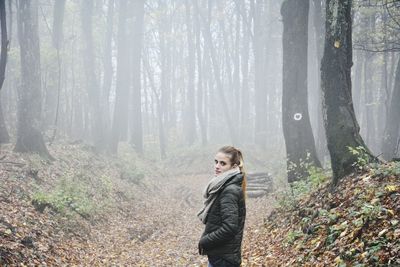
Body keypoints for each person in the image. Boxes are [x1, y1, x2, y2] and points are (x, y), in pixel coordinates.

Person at [197, 146, 247, 267]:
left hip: (224, 259)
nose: (217, 166)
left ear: (233, 167)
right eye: (216, 162)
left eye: (223, 163)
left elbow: (230, 227)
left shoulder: (229, 190)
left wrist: (205, 241)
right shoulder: (223, 185)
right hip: (220, 255)